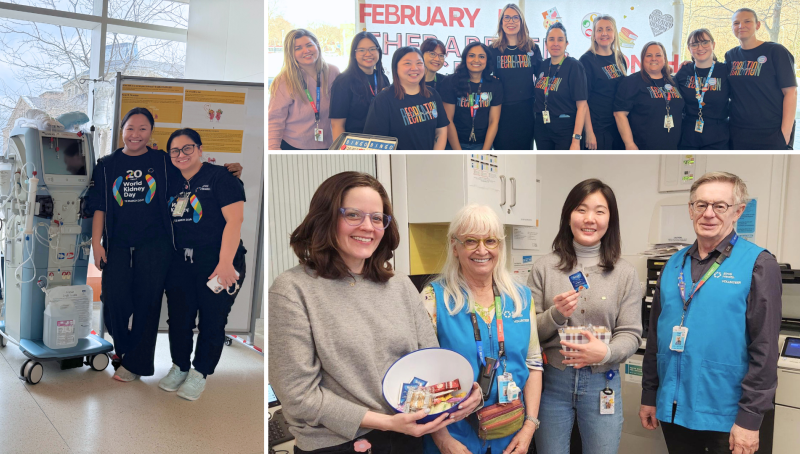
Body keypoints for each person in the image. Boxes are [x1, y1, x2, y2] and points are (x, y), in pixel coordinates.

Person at [268, 172, 481, 453]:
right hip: (337, 443)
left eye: (377, 218)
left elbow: (431, 365)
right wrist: (387, 423)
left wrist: (459, 396)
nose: (368, 227)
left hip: (408, 436)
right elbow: (298, 396)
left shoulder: (401, 286)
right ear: (325, 218)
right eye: (353, 215)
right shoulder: (293, 290)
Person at [86, 107, 242, 383]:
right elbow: (99, 206)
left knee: (149, 305)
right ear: (121, 130)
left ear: (150, 133)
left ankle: (138, 364)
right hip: (118, 245)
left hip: (155, 247)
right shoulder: (107, 164)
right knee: (113, 303)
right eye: (130, 128)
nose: (136, 134)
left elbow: (195, 168)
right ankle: (125, 351)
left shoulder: (161, 160)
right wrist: (97, 244)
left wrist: (230, 170)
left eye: (143, 129)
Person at [639, 172, 782, 454]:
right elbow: (655, 336)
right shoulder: (673, 265)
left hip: (727, 415)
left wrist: (750, 419)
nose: (709, 214)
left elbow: (764, 350)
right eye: (701, 205)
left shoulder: (758, 264)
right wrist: (650, 394)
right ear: (690, 210)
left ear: (738, 211)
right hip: (674, 407)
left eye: (720, 206)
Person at [528, 179, 642, 454]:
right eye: (581, 209)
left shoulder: (624, 273)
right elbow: (529, 334)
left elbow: (631, 334)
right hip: (553, 381)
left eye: (600, 211)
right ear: (569, 216)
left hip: (603, 381)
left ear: (610, 219)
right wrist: (555, 315)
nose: (589, 219)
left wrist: (604, 352)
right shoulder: (544, 267)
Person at [422, 204, 543, 454]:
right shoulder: (434, 299)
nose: (482, 250)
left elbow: (533, 364)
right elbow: (421, 378)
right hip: (454, 435)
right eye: (470, 241)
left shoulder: (521, 298)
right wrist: (443, 440)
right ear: (454, 246)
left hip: (511, 435)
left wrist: (529, 427)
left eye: (490, 241)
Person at [159, 129, 246, 401]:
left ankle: (200, 373)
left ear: (199, 149)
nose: (181, 155)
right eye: (175, 150)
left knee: (212, 320)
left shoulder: (220, 177)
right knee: (179, 319)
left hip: (219, 261)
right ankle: (180, 366)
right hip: (181, 262)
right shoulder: (170, 181)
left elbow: (235, 221)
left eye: (187, 148)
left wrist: (225, 263)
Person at [726, 8, 797, 150]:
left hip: (772, 131)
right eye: (736, 23)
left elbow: (791, 93)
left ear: (757, 25)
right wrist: (691, 64)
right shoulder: (731, 55)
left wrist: (785, 133)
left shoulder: (775, 51)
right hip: (738, 131)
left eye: (747, 21)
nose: (741, 26)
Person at [363, 47, 449, 150]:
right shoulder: (383, 100)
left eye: (419, 63)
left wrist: (434, 157)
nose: (414, 68)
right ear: (396, 68)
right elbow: (375, 143)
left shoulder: (432, 94)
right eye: (407, 63)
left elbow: (441, 129)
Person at [268, 29, 340, 150]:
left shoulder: (333, 72)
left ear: (317, 45)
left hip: (330, 144)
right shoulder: (284, 80)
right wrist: (273, 148)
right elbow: (275, 119)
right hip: (294, 145)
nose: (306, 51)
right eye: (298, 48)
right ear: (291, 53)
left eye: (309, 45)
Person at [488, 3, 542, 150]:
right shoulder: (492, 50)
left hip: (526, 109)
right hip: (501, 110)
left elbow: (542, 78)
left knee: (525, 153)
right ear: (501, 22)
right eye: (507, 18)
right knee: (502, 153)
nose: (511, 21)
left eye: (515, 18)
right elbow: (484, 77)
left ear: (521, 22)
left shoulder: (532, 48)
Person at [614, 41, 685, 150]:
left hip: (672, 148)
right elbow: (619, 114)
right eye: (649, 55)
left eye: (658, 55)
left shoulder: (674, 81)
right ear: (642, 59)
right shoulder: (631, 82)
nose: (653, 58)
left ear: (664, 58)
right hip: (642, 148)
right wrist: (629, 144)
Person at [533, 22, 588, 150]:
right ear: (546, 44)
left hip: (565, 129)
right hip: (542, 128)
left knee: (565, 169)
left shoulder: (574, 66)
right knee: (544, 168)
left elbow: (582, 106)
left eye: (560, 39)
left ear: (566, 44)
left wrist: (576, 139)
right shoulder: (542, 66)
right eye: (551, 39)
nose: (556, 43)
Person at [440, 42, 503, 150]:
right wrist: (458, 152)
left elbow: (494, 121)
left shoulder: (495, 84)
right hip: (454, 145)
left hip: (483, 145)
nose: (476, 60)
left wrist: (485, 151)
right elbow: (448, 120)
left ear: (487, 61)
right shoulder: (451, 82)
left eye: (482, 56)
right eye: (471, 55)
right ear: (465, 59)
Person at [675, 29, 730, 150]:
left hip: (718, 136)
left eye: (705, 42)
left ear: (713, 45)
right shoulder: (684, 71)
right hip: (687, 135)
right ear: (689, 49)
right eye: (694, 44)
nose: (700, 48)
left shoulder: (725, 70)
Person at [579, 15, 628, 150]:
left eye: (608, 29)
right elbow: (583, 101)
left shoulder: (620, 58)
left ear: (614, 34)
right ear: (594, 35)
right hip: (597, 129)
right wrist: (589, 132)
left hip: (618, 127)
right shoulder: (586, 60)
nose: (604, 33)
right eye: (599, 30)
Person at [330, 32, 390, 141]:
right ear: (354, 54)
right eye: (362, 50)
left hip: (381, 141)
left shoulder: (383, 78)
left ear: (379, 51)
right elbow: (337, 125)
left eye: (372, 49)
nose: (368, 54)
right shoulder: (343, 81)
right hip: (355, 144)